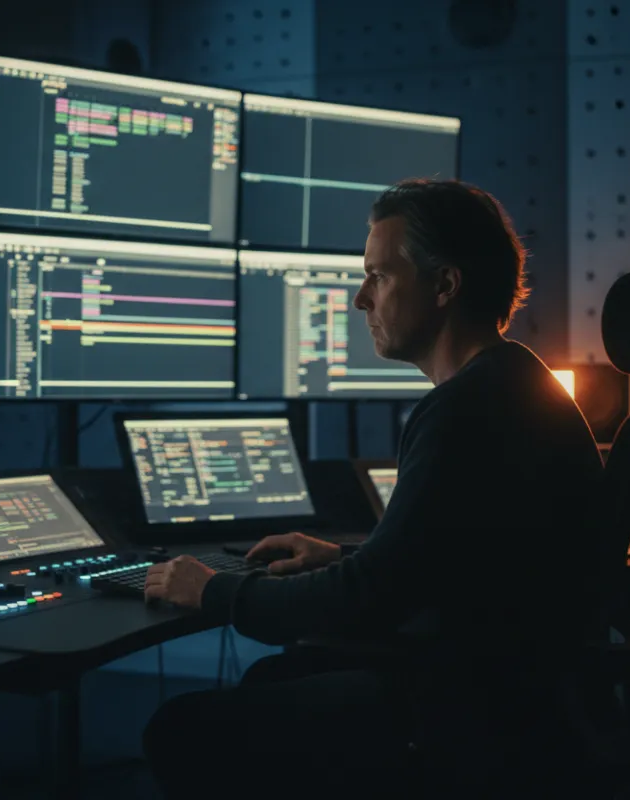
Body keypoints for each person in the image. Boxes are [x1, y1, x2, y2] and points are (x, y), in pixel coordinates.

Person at [142, 178, 606, 797]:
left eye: (380, 276)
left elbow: (367, 599)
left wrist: (216, 590)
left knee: (179, 728)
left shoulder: (465, 409)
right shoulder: (517, 381)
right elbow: (456, 563)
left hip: (467, 714)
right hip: (517, 700)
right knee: (277, 678)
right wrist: (341, 556)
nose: (362, 298)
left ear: (445, 285)